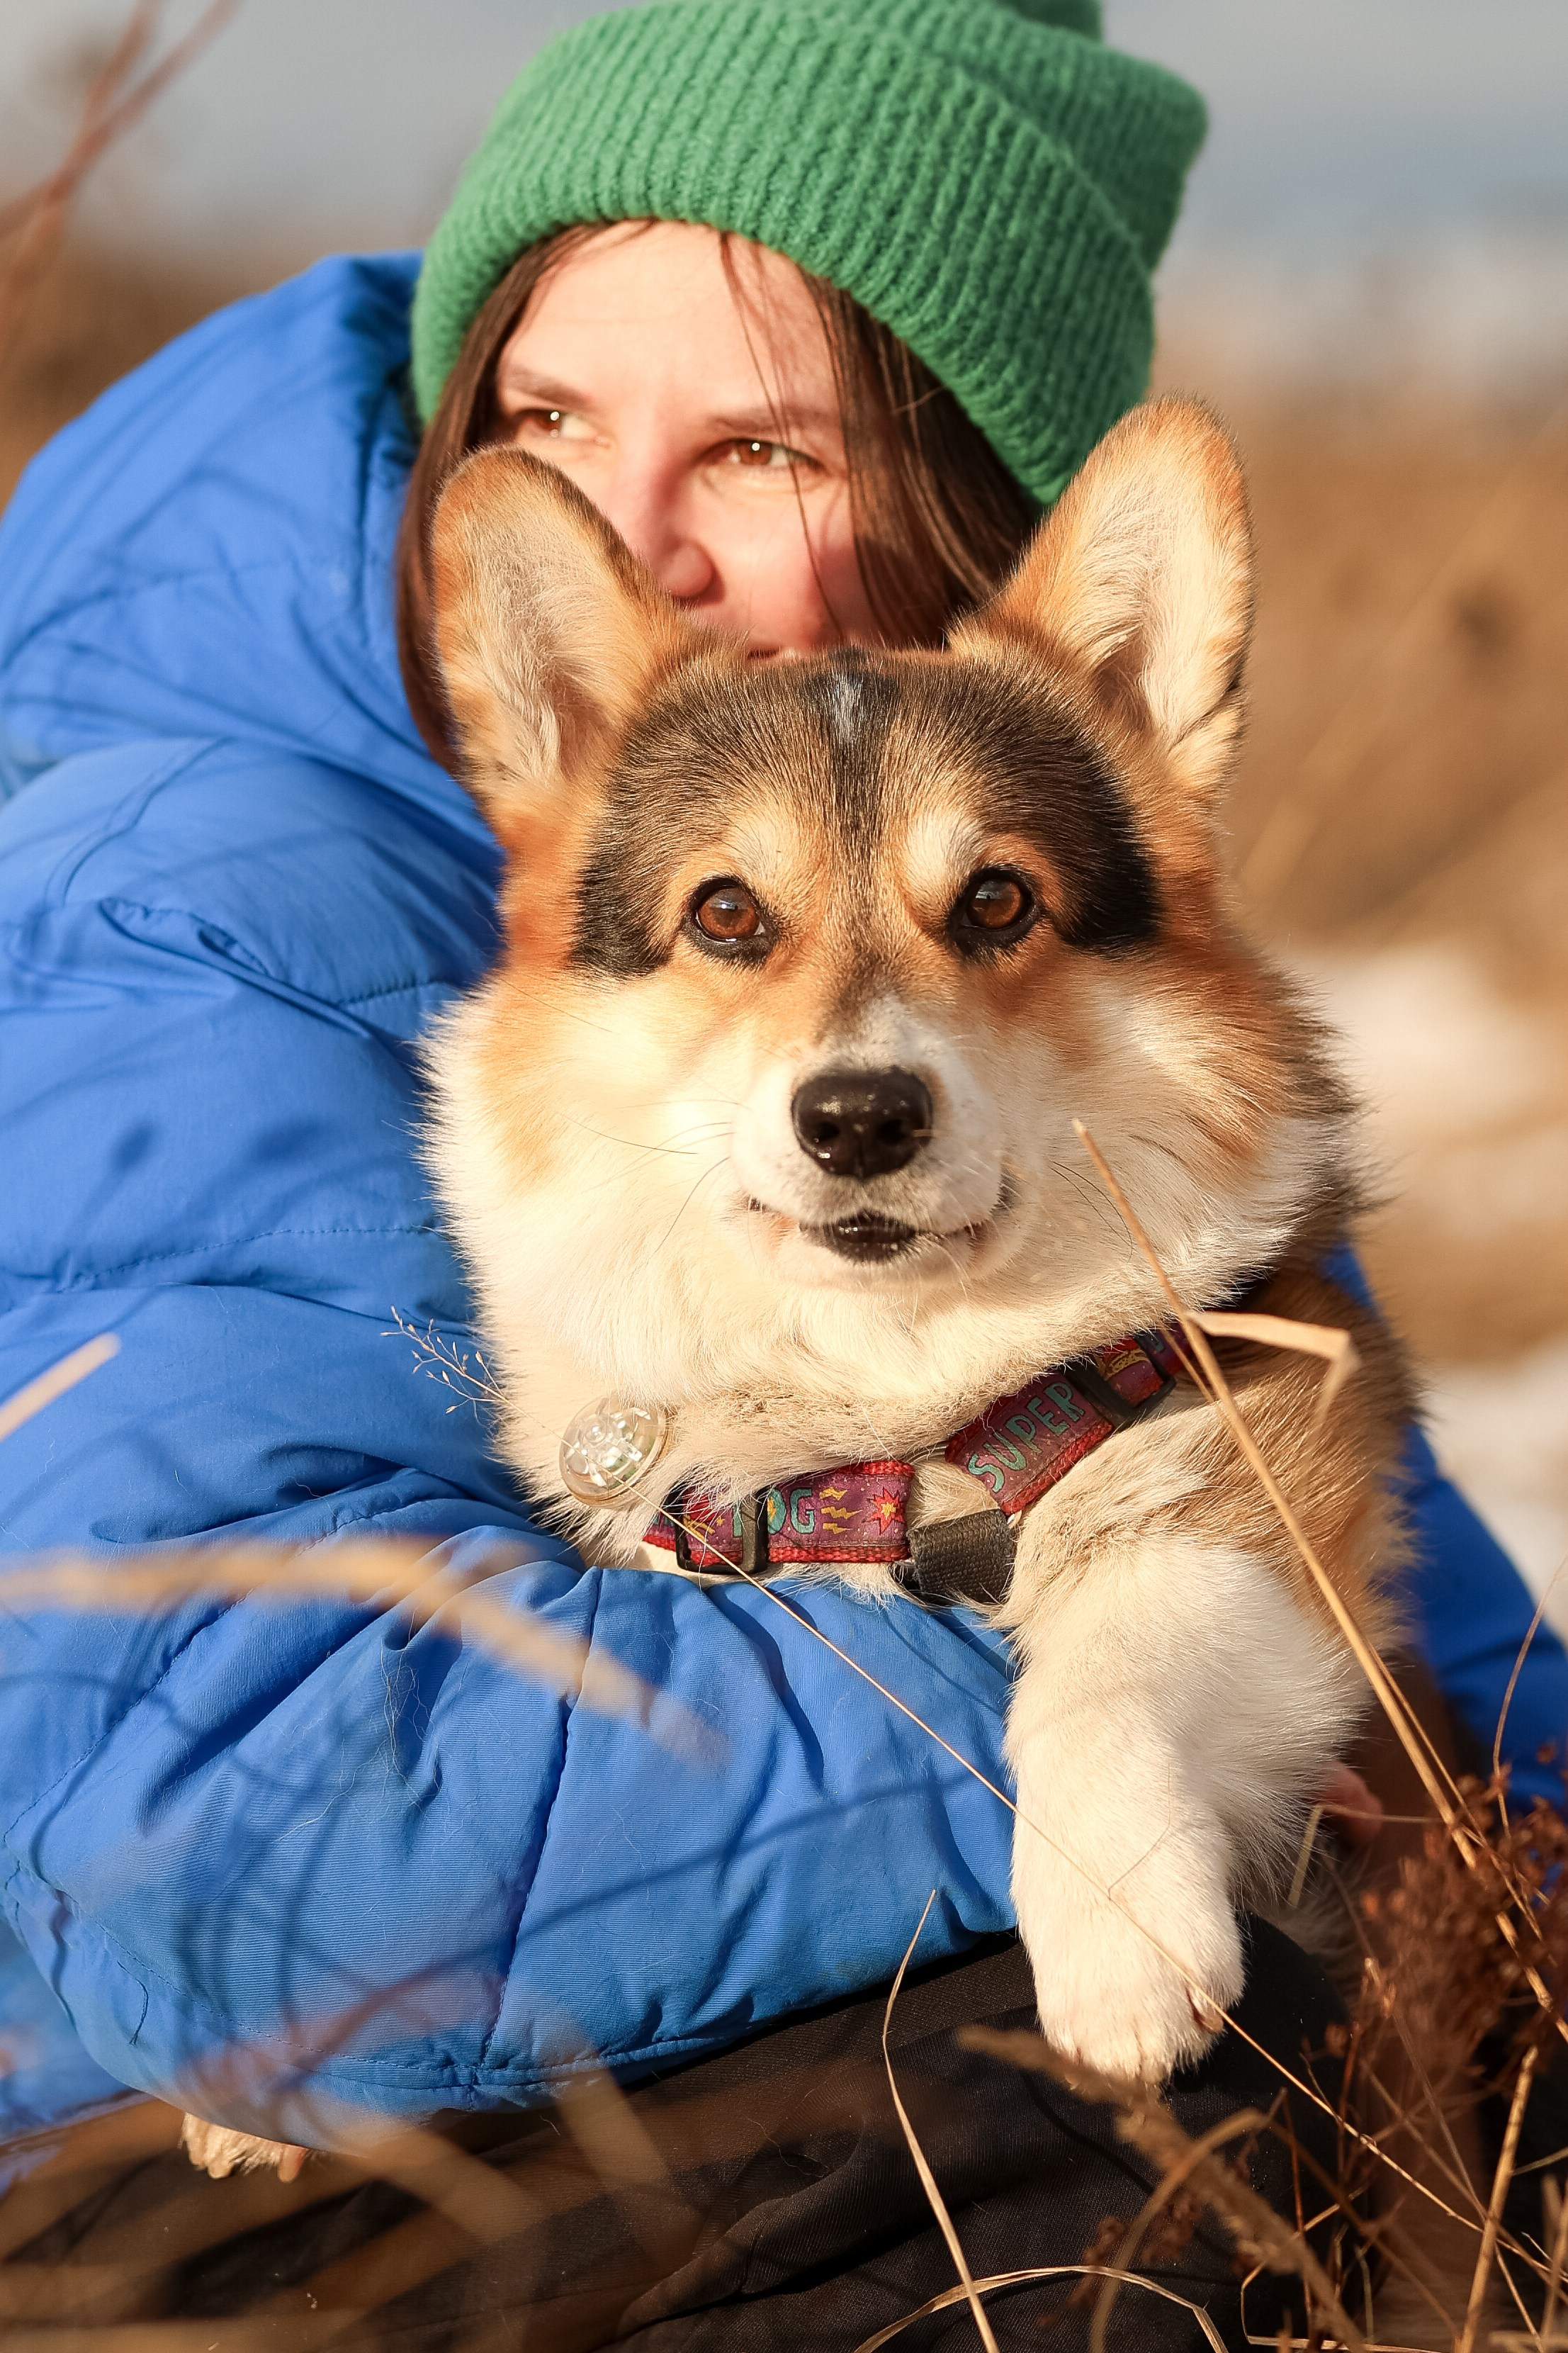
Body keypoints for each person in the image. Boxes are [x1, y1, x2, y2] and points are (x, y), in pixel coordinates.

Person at [0, 0, 1561, 2339]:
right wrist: (1075, 1743)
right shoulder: (194, 889)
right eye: (543, 420)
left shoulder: (1034, 974)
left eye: (753, 446)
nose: (633, 538)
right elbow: (217, 1866)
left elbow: (1390, 1617)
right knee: (1084, 2105)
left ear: (965, 532)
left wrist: (1485, 1852)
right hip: (161, 2157)